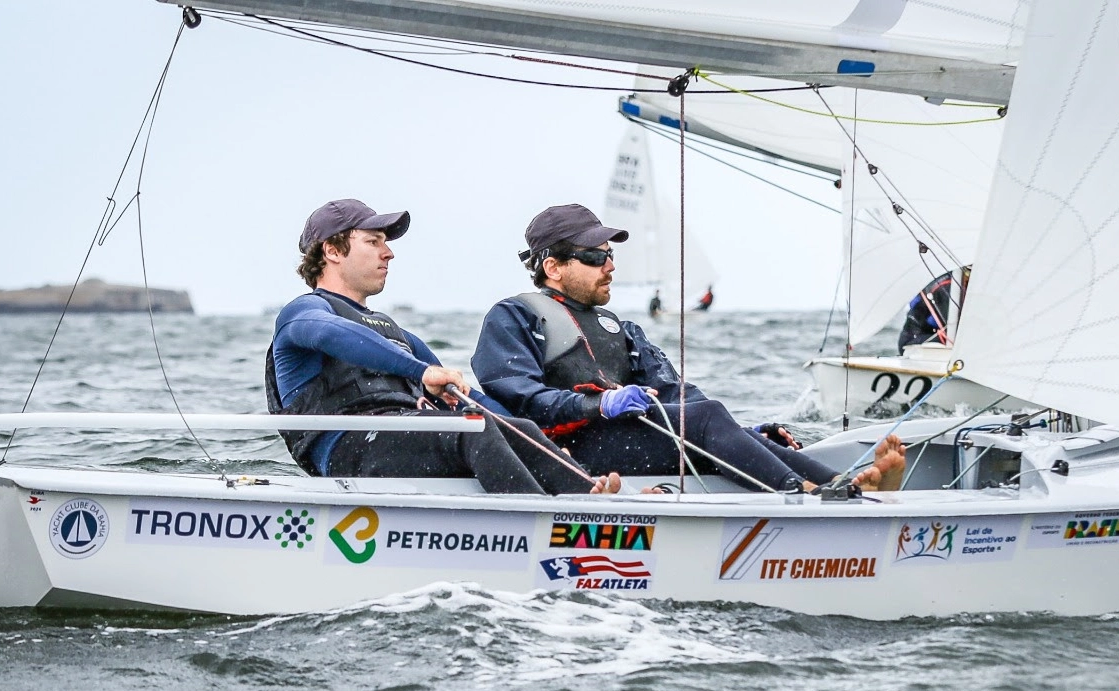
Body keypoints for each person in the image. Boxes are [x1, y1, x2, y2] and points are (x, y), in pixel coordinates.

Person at [472, 204, 905, 494]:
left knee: (708, 414)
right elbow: (518, 398)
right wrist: (599, 405)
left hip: (634, 436)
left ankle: (844, 485)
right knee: (705, 419)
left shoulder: (619, 327)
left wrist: (743, 437)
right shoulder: (513, 317)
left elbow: (676, 394)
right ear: (553, 266)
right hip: (569, 449)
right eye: (594, 256)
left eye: (609, 253)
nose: (610, 265)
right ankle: (811, 494)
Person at [265, 197, 624, 496]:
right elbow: (331, 334)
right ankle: (551, 525)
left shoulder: (394, 332)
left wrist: (541, 448)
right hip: (348, 452)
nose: (388, 253)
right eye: (373, 242)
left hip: (403, 435)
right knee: (476, 430)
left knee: (515, 428)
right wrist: (421, 372)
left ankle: (590, 494)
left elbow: (469, 397)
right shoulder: (304, 312)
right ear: (331, 250)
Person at [897, 265, 971, 355]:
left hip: (937, 337)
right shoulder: (948, 286)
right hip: (912, 343)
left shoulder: (958, 280)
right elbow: (955, 331)